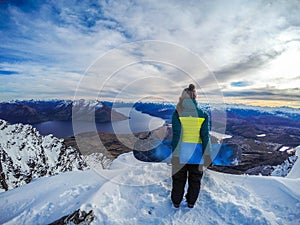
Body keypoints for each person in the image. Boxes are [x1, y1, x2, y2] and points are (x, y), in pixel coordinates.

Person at [171, 84, 212, 208]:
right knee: (195, 181)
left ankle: (176, 202)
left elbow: (177, 136)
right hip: (197, 154)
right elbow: (205, 137)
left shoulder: (177, 113)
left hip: (181, 155)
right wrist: (208, 155)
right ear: (195, 97)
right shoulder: (203, 114)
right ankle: (190, 203)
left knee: (178, 180)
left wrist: (175, 155)